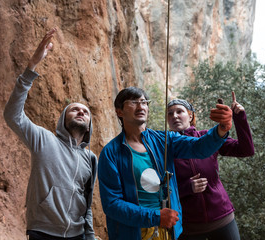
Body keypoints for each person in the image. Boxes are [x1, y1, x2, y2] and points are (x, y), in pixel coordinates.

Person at [97, 87, 233, 240]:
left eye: (144, 102)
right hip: (133, 233)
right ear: (119, 111)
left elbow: (199, 147)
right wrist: (155, 217)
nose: (141, 106)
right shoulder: (110, 153)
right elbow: (112, 204)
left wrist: (221, 129)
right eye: (134, 102)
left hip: (169, 231)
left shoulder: (164, 140)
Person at [4, 28, 97, 240]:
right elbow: (13, 115)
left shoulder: (91, 159)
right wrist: (32, 67)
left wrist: (89, 236)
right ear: (62, 118)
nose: (81, 112)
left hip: (77, 234)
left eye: (85, 112)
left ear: (90, 125)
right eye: (74, 109)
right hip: (43, 232)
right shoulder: (44, 140)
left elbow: (87, 202)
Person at [167, 92, 254, 240]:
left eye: (179, 111)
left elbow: (246, 150)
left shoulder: (208, 138)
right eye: (170, 114)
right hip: (189, 226)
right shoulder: (164, 148)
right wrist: (187, 188)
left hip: (222, 219)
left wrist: (240, 118)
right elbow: (160, 188)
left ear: (190, 116)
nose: (174, 116)